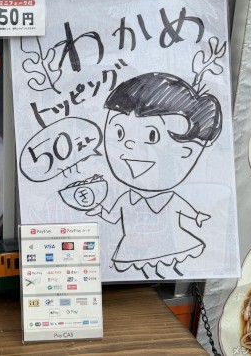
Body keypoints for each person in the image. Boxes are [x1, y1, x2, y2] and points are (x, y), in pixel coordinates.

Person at [89, 72, 222, 279]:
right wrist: (97, 210)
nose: (129, 144)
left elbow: (184, 209)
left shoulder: (169, 198)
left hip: (170, 243)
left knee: (170, 266)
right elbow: (113, 216)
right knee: (141, 269)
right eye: (119, 133)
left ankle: (170, 272)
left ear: (186, 152)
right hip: (134, 246)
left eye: (151, 136)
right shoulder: (126, 199)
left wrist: (197, 216)